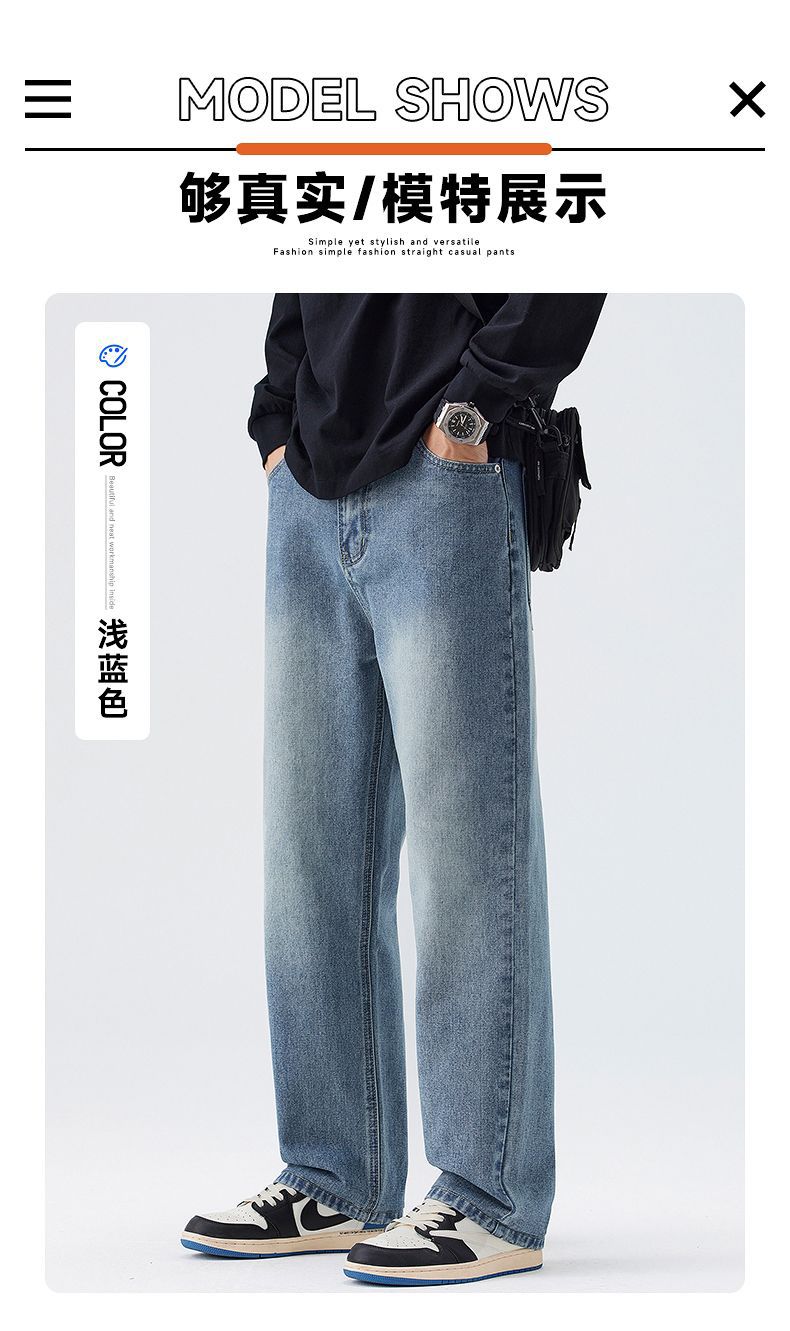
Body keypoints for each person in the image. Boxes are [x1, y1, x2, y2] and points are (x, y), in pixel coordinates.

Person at [181, 293, 606, 1286]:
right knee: (310, 854)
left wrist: (474, 410)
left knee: (469, 855)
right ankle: (334, 1175)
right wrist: (277, 421)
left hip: (451, 468)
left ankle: (490, 1197)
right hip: (309, 478)